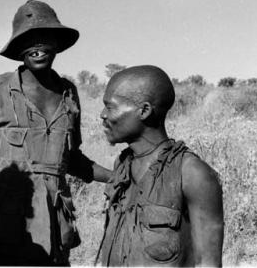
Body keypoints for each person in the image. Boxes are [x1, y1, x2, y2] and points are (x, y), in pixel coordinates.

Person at [0, 0, 112, 265]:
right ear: (18, 47)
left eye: (45, 37)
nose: (37, 47)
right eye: (28, 39)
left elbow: (73, 159)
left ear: (57, 43)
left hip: (56, 222)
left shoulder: (69, 93)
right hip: (4, 219)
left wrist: (116, 178)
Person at [96, 65, 224, 267]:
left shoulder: (192, 173)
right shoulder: (123, 164)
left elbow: (207, 262)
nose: (103, 115)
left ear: (144, 111)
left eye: (110, 107)